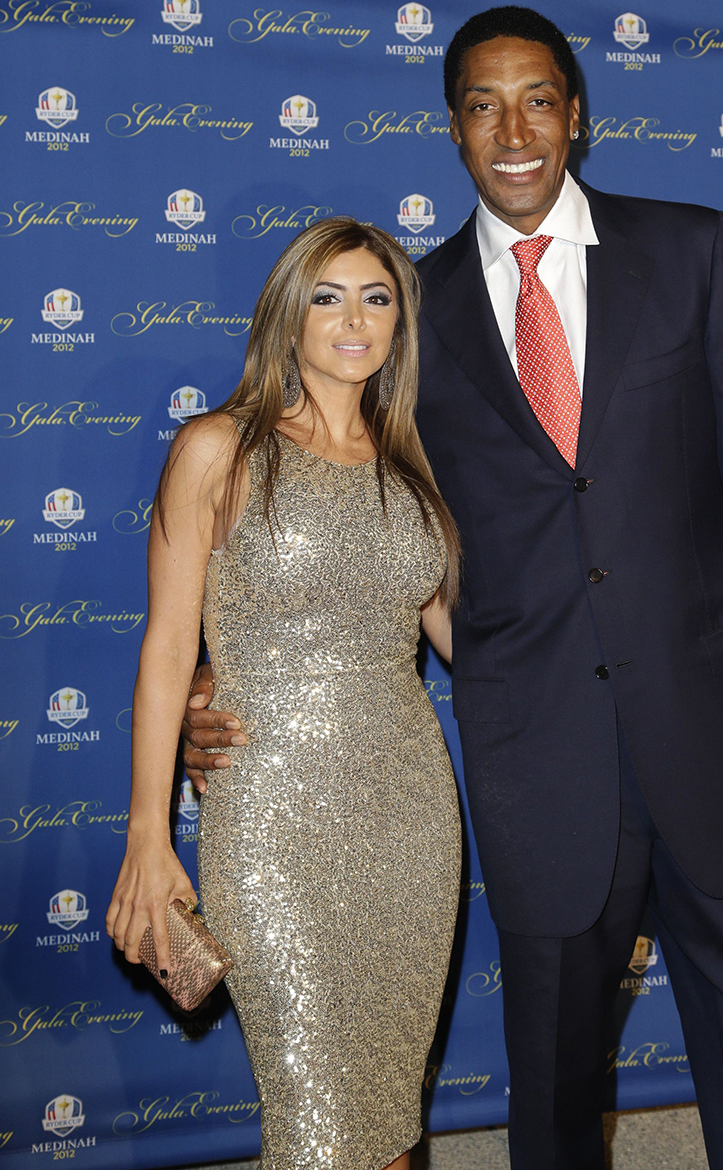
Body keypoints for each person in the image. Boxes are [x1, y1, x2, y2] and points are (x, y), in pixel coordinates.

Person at [183, 7, 723, 1170]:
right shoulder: (405, 314)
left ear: (575, 114)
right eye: (483, 105)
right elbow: (344, 509)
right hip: (534, 745)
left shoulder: (692, 249)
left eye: (537, 97)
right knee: (550, 1076)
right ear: (452, 129)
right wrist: (221, 666)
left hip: (716, 733)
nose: (514, 128)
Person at [107, 218, 462, 1170]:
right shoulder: (220, 448)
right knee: (314, 1117)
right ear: (286, 316)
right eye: (328, 295)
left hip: (410, 811)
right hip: (270, 814)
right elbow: (168, 650)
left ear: (400, 322)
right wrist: (149, 837)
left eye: (376, 297)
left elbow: (470, 640)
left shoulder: (414, 463)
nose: (355, 318)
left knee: (390, 1109)